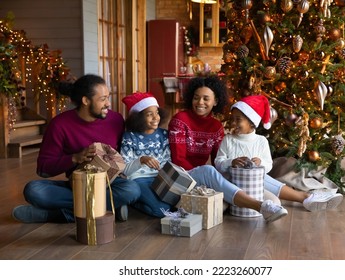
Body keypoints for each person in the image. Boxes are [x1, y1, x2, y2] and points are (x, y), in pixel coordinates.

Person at [121, 92, 287, 223]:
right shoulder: (129, 137)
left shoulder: (164, 134)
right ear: (138, 117)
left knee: (207, 170)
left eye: (156, 113)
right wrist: (141, 160)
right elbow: (125, 169)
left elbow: (172, 163)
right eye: (149, 114)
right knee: (161, 210)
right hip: (141, 180)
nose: (156, 117)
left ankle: (261, 206)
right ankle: (132, 203)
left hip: (167, 178)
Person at [12, 74, 141, 223]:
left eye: (108, 97)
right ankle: (109, 207)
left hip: (110, 184)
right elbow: (43, 169)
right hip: (78, 185)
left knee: (131, 190)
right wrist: (74, 158)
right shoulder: (59, 125)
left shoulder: (116, 120)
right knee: (33, 190)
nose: (108, 104)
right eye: (102, 99)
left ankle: (57, 215)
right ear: (86, 101)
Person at [214, 94, 344, 211]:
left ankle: (308, 199)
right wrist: (231, 162)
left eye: (238, 120)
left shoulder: (261, 141)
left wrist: (260, 163)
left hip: (254, 186)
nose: (233, 123)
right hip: (233, 183)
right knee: (261, 178)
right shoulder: (228, 140)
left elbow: (268, 165)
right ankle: (306, 197)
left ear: (251, 122)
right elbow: (218, 162)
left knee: (274, 200)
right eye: (232, 119)